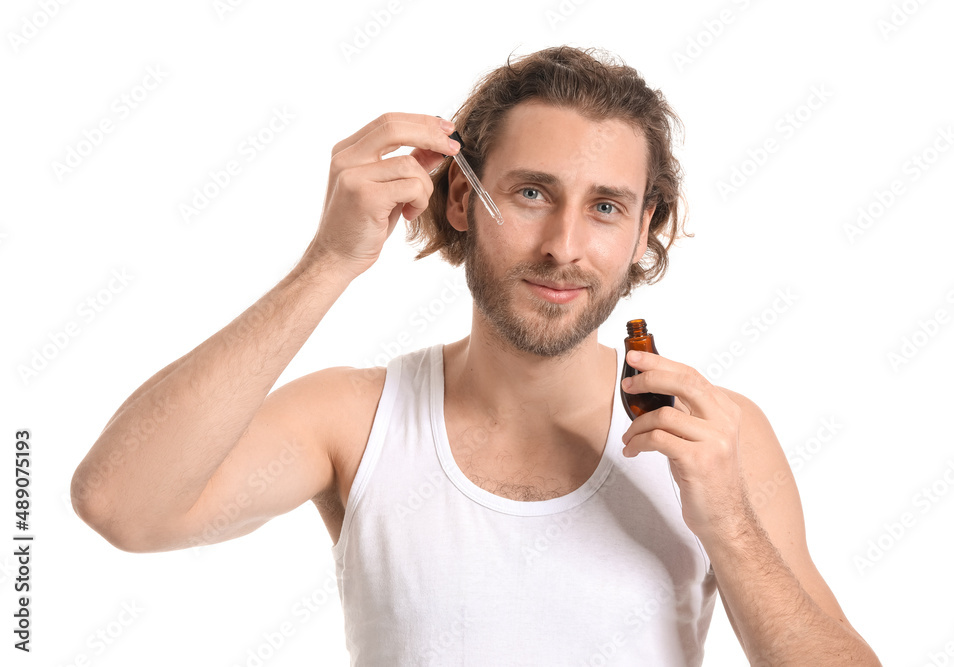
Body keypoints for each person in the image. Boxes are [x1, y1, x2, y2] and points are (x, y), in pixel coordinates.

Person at [71, 46, 880, 665]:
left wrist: (730, 528)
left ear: (643, 231)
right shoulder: (356, 421)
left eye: (605, 207)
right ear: (462, 198)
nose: (564, 246)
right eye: (531, 193)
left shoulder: (717, 435)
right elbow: (120, 503)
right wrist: (330, 261)